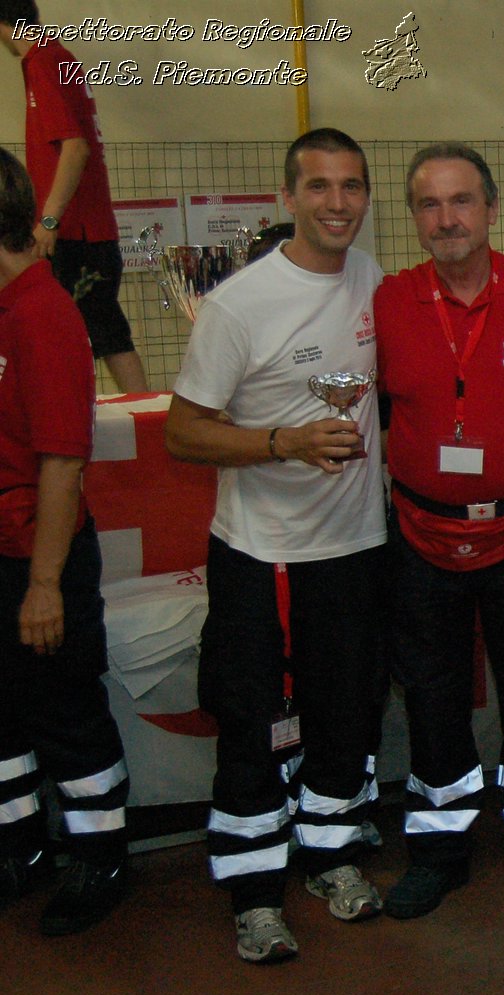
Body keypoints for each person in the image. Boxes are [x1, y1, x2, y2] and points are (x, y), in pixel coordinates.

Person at [166, 128, 387, 963]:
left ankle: (333, 857)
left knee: (344, 713)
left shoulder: (372, 279)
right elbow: (184, 435)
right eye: (321, 187)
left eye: (353, 187)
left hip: (357, 546)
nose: (338, 203)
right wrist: (279, 444)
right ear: (288, 197)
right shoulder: (240, 305)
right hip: (266, 557)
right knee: (257, 723)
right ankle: (255, 894)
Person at [373, 143, 504, 920]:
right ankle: (438, 848)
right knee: (430, 695)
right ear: (415, 218)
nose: (446, 218)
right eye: (429, 204)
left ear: (491, 209)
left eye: (461, 201)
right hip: (421, 536)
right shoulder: (389, 300)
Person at [0, 145, 130, 935]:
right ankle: (21, 843)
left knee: (64, 709)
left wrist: (45, 583)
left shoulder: (43, 315)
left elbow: (61, 460)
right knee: (7, 715)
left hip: (35, 559)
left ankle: (100, 854)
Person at [0, 1, 147, 393]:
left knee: (100, 331)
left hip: (77, 233)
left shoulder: (45, 61)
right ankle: (130, 408)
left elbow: (75, 147)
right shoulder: (53, 57)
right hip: (82, 229)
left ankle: (141, 412)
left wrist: (48, 220)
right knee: (95, 329)